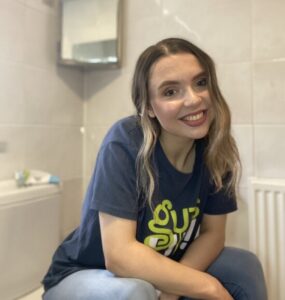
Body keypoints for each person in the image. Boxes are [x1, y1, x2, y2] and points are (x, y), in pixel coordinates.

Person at [42, 38, 267, 300]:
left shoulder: (215, 149)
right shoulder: (126, 141)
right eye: (170, 92)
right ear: (148, 107)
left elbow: (212, 234)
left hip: (158, 264)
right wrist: (209, 287)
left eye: (200, 82)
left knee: (244, 267)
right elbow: (120, 256)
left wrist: (173, 290)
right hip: (82, 274)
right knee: (136, 292)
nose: (194, 99)